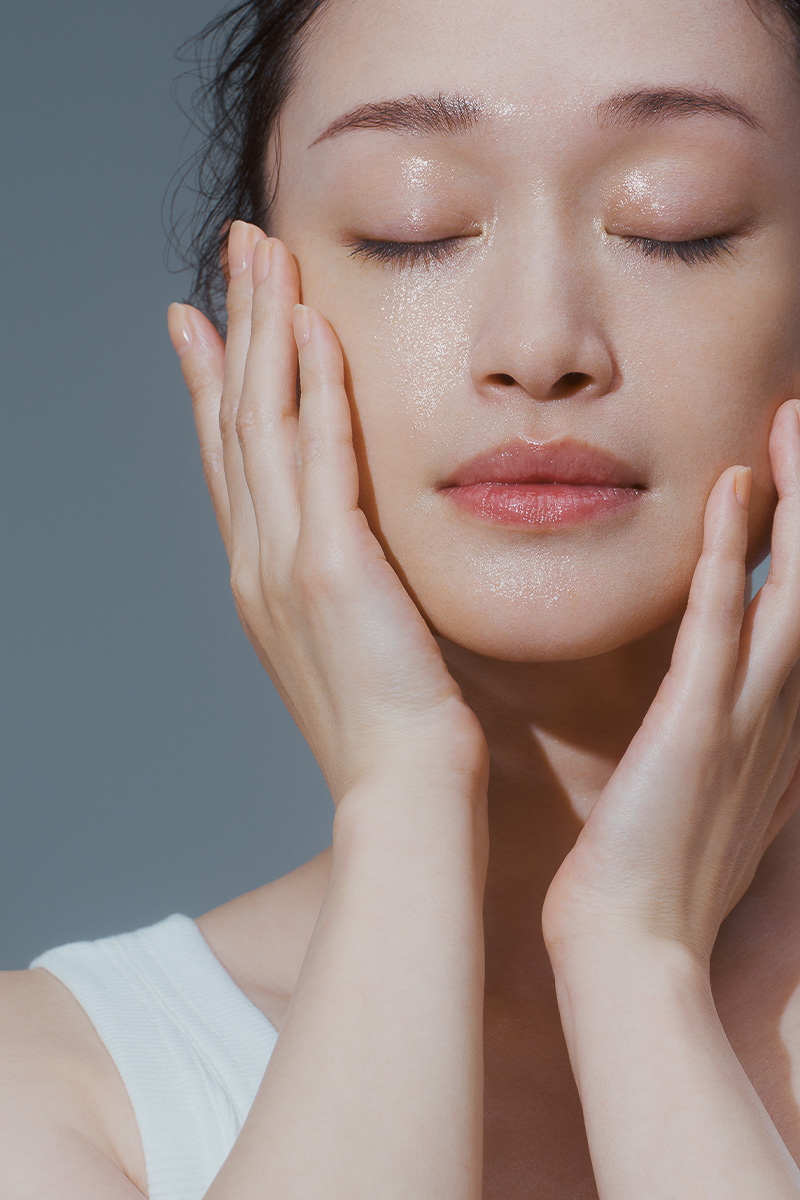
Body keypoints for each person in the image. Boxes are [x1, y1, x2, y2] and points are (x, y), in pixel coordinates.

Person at [4, 0, 800, 1195]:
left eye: (670, 221)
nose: (538, 344)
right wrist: (402, 801)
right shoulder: (58, 1085)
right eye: (410, 226)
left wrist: (637, 966)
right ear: (257, 320)